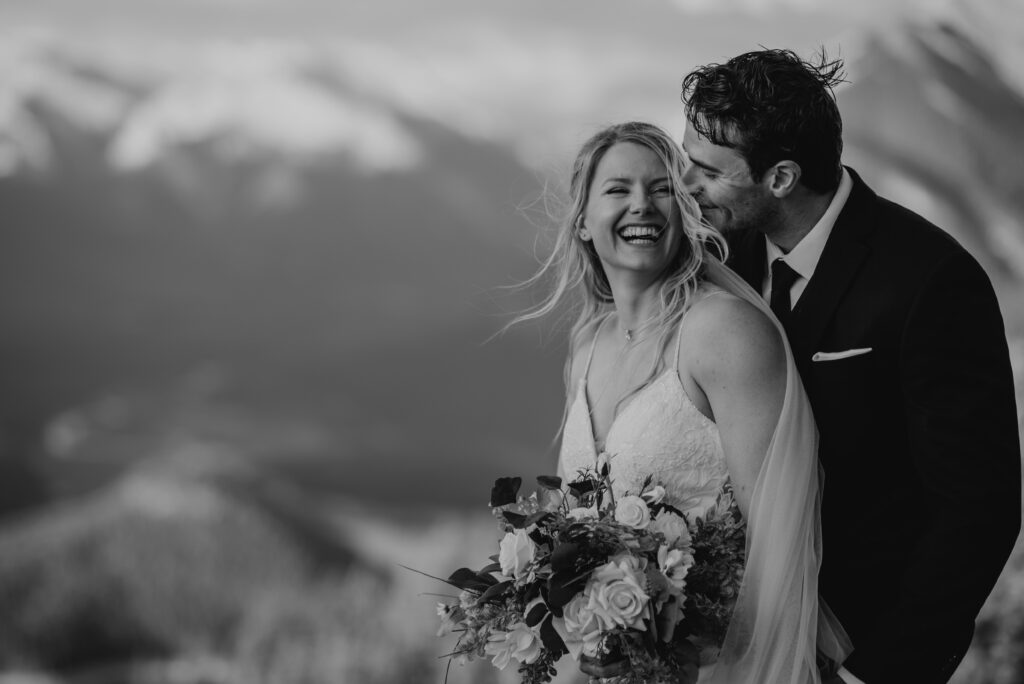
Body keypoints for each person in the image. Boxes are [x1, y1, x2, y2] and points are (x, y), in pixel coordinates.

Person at [680, 49, 1021, 684]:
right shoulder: (716, 254)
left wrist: (878, 672)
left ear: (780, 177)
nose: (686, 185)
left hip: (852, 649)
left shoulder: (931, 281)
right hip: (725, 643)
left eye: (706, 171)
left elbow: (979, 508)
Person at [513, 121, 849, 683]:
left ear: (686, 211)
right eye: (618, 190)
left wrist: (694, 649)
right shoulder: (586, 345)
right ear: (583, 223)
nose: (642, 206)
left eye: (663, 188)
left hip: (721, 664)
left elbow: (780, 537)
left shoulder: (723, 332)